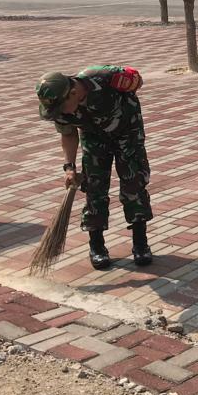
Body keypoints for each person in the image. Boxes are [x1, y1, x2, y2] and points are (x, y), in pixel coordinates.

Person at [36, 66, 152, 270]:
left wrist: (130, 81)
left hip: (128, 133)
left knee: (134, 185)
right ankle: (97, 247)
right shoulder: (59, 108)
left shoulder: (102, 78)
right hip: (94, 138)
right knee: (94, 189)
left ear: (73, 93)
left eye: (63, 107)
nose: (62, 113)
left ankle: (140, 244)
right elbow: (68, 134)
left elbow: (136, 81)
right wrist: (69, 167)